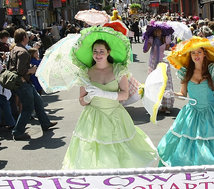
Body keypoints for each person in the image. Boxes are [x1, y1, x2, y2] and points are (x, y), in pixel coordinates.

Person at [63, 27, 157, 169]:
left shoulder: (118, 70)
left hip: (115, 115)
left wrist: (102, 94)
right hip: (93, 118)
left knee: (120, 152)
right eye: (95, 51)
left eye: (101, 51)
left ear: (108, 52)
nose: (98, 54)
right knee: (95, 153)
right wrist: (89, 97)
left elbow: (124, 94)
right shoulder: (86, 72)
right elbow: (81, 101)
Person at [157, 37, 214, 166]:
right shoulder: (185, 71)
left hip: (212, 114)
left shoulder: (212, 69)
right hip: (191, 114)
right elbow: (183, 94)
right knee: (188, 148)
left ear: (205, 54)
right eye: (193, 53)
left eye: (199, 52)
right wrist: (171, 94)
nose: (196, 55)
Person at [8, 29, 58, 141]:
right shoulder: (22, 52)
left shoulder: (14, 49)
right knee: (28, 108)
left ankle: (45, 123)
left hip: (22, 82)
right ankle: (18, 132)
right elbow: (21, 70)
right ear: (24, 38)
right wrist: (31, 70)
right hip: (22, 82)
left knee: (38, 101)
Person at [143, 21, 176, 114]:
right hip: (153, 63)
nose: (157, 32)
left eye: (159, 30)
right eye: (155, 31)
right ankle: (157, 105)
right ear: (153, 32)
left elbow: (168, 50)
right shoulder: (151, 39)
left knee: (166, 82)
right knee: (154, 83)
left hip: (164, 62)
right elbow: (145, 51)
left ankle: (166, 106)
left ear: (162, 31)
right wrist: (146, 41)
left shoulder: (166, 39)